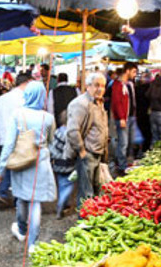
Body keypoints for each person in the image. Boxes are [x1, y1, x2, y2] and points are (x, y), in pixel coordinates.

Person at [0, 81, 56, 250]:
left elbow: (9, 144)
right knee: (35, 203)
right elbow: (51, 142)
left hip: (21, 163)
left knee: (22, 199)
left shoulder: (17, 114)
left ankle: (22, 229)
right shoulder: (48, 118)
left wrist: (1, 169)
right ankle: (32, 244)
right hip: (41, 164)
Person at [0, 72, 32, 208]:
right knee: (19, 168)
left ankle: (2, 192)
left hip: (2, 138)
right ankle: (15, 197)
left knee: (7, 165)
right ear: (27, 83)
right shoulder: (25, 99)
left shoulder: (2, 99)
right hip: (19, 138)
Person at [67, 72, 109, 205]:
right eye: (96, 85)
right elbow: (73, 131)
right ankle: (84, 217)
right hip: (88, 153)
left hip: (98, 153)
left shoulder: (99, 102)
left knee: (97, 190)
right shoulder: (80, 104)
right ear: (88, 86)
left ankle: (92, 215)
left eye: (103, 86)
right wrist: (82, 151)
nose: (100, 89)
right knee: (86, 193)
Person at [111, 62, 140, 175]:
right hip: (123, 119)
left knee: (126, 142)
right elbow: (117, 102)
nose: (135, 74)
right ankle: (121, 166)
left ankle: (123, 164)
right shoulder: (118, 84)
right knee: (123, 143)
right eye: (134, 71)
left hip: (128, 117)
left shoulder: (125, 84)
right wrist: (121, 117)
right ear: (127, 71)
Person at [50, 110, 77, 218]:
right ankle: (61, 204)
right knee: (69, 184)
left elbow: (52, 147)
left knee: (62, 184)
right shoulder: (71, 134)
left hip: (57, 163)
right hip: (69, 163)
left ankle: (64, 203)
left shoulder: (57, 132)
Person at [135, 72, 153, 152]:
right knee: (148, 132)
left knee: (142, 131)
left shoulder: (137, 88)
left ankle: (140, 149)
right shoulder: (150, 88)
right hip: (147, 113)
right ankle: (146, 148)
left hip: (139, 113)